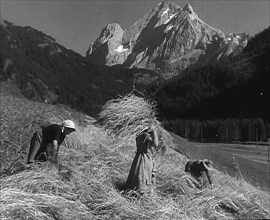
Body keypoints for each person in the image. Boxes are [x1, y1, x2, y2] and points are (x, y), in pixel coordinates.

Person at [126, 119, 159, 196]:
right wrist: (154, 130)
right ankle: (142, 194)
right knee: (144, 177)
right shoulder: (145, 136)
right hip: (145, 160)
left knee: (137, 176)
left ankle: (134, 192)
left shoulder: (139, 134)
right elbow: (156, 143)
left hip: (138, 157)